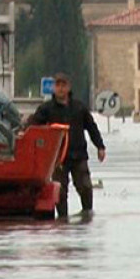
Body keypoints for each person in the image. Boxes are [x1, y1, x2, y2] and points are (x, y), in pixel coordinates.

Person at [28, 72, 106, 218]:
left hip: (79, 156)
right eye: (58, 85)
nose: (61, 89)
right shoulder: (46, 109)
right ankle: (63, 220)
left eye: (64, 85)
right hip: (57, 159)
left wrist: (100, 147)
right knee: (60, 191)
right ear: (53, 88)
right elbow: (32, 128)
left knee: (85, 187)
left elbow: (92, 127)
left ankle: (87, 215)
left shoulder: (79, 108)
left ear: (69, 87)